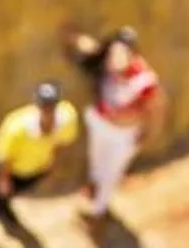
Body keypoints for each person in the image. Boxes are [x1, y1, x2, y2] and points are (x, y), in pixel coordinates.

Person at [0, 81, 78, 248]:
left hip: (37, 169)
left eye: (52, 106)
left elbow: (62, 142)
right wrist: (4, 180)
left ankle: (5, 210)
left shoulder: (67, 118)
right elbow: (4, 157)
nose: (49, 111)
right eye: (45, 106)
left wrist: (52, 162)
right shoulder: (17, 127)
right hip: (11, 172)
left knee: (8, 198)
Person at [69, 24, 166, 219]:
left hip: (123, 135)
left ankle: (98, 210)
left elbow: (157, 108)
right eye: (116, 50)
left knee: (111, 173)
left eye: (124, 52)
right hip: (100, 123)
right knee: (96, 161)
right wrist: (71, 35)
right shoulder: (105, 62)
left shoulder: (143, 80)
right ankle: (93, 188)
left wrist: (149, 134)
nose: (117, 56)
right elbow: (88, 46)